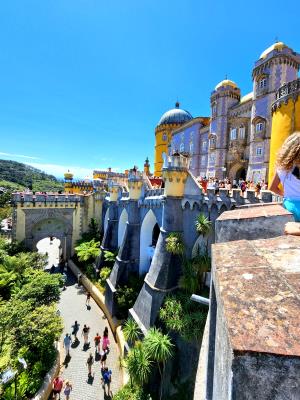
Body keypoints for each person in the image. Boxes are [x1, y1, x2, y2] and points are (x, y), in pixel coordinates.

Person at [269, 132, 300, 222]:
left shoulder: (281, 167)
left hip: (289, 206)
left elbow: (272, 187)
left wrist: (286, 194)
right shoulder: (297, 168)